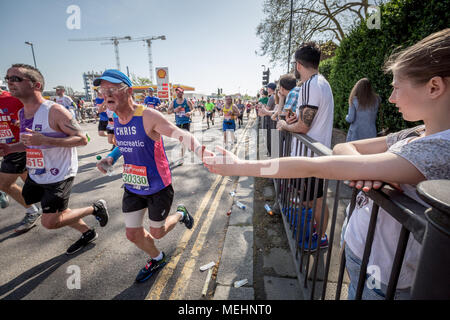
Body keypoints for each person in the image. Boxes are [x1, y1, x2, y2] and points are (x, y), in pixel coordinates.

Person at [204, 28, 450, 299]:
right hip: (365, 259)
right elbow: (344, 146)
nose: (391, 98)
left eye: (396, 88)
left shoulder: (439, 148)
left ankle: (316, 236)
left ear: (434, 87)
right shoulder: (413, 133)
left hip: (386, 277)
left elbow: (313, 156)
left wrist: (240, 166)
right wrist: (365, 167)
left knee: (315, 201)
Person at [94, 69, 213, 282]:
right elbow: (122, 143)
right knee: (132, 234)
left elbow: (181, 134)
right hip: (132, 185)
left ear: (128, 91)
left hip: (158, 185)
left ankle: (180, 214)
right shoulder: (115, 117)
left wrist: (203, 153)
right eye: (103, 90)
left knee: (157, 233)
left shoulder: (147, 116)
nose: (106, 94)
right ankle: (157, 257)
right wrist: (111, 157)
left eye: (112, 89)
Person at [1, 64, 109, 255]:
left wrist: (44, 139)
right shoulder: (21, 113)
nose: (10, 82)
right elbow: (29, 143)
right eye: (8, 78)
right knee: (58, 212)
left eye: (16, 78)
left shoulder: (55, 111)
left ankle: (95, 208)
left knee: (49, 222)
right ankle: (87, 232)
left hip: (59, 174)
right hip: (37, 172)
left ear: (36, 85)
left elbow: (82, 139)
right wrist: (10, 148)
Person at [276, 42, 335, 249]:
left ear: (298, 64)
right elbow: (306, 120)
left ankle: (319, 238)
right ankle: (318, 234)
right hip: (314, 155)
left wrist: (284, 124)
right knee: (314, 199)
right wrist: (294, 121)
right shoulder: (322, 83)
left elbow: (303, 127)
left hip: (310, 157)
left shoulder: (310, 85)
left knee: (315, 200)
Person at [0, 86, 42, 232]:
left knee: (4, 184)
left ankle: (33, 211)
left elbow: (39, 112)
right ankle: (53, 205)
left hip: (18, 146)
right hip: (6, 148)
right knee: (31, 181)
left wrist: (24, 123)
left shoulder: (14, 98)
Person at [167, 87, 193, 163]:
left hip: (186, 122)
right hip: (178, 123)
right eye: (177, 92)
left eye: (180, 92)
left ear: (183, 93)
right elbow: (168, 111)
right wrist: (174, 110)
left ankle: (181, 157)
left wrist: (190, 113)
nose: (178, 93)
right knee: (182, 140)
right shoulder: (173, 102)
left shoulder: (187, 101)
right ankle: (187, 146)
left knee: (183, 141)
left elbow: (192, 109)